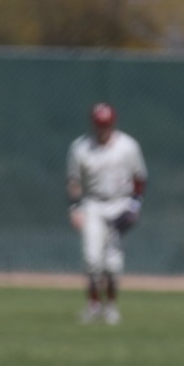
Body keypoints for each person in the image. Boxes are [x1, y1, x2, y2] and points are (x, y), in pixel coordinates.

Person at [66, 102, 147, 325]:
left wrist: (134, 206)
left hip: (120, 203)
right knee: (92, 259)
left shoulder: (128, 146)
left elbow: (139, 178)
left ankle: (110, 305)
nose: (103, 130)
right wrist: (74, 208)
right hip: (93, 204)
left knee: (112, 264)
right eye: (99, 126)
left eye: (106, 125)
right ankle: (93, 304)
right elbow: (74, 182)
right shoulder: (80, 148)